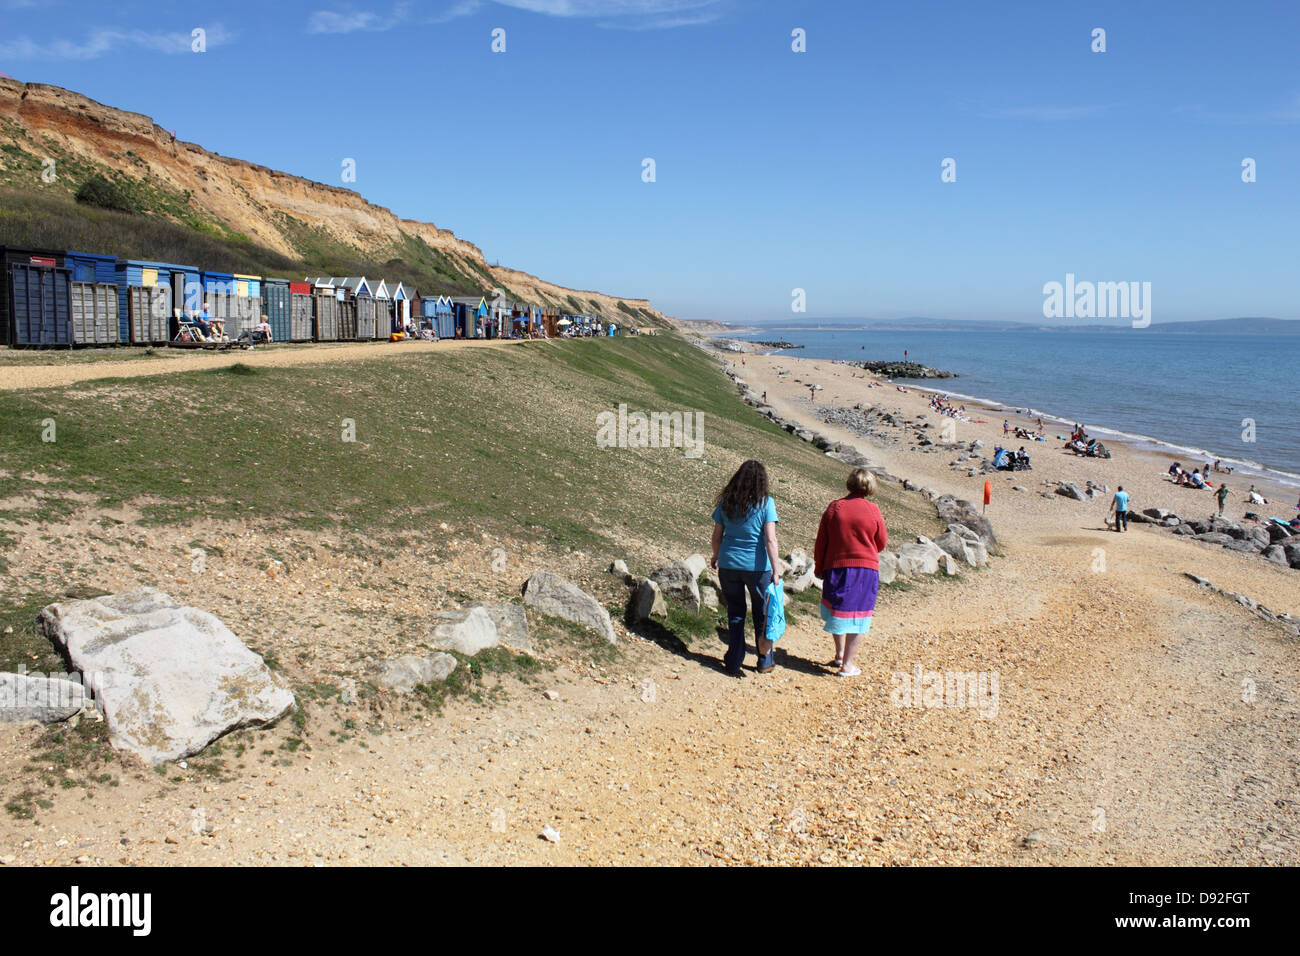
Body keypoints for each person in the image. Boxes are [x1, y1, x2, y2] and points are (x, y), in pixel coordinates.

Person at [813, 468, 888, 677]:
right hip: (865, 569)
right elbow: (881, 542)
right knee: (859, 615)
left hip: (836, 567)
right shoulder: (873, 510)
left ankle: (839, 653)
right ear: (870, 487)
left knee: (837, 610)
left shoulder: (835, 508)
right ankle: (847, 664)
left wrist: (819, 567)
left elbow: (822, 542)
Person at [710, 460, 781, 676]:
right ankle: (764, 659)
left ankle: (734, 659)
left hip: (729, 563)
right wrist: (776, 569)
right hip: (757, 568)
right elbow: (770, 540)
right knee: (762, 613)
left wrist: (716, 556)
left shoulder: (726, 502)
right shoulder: (766, 504)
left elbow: (716, 536)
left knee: (735, 611)